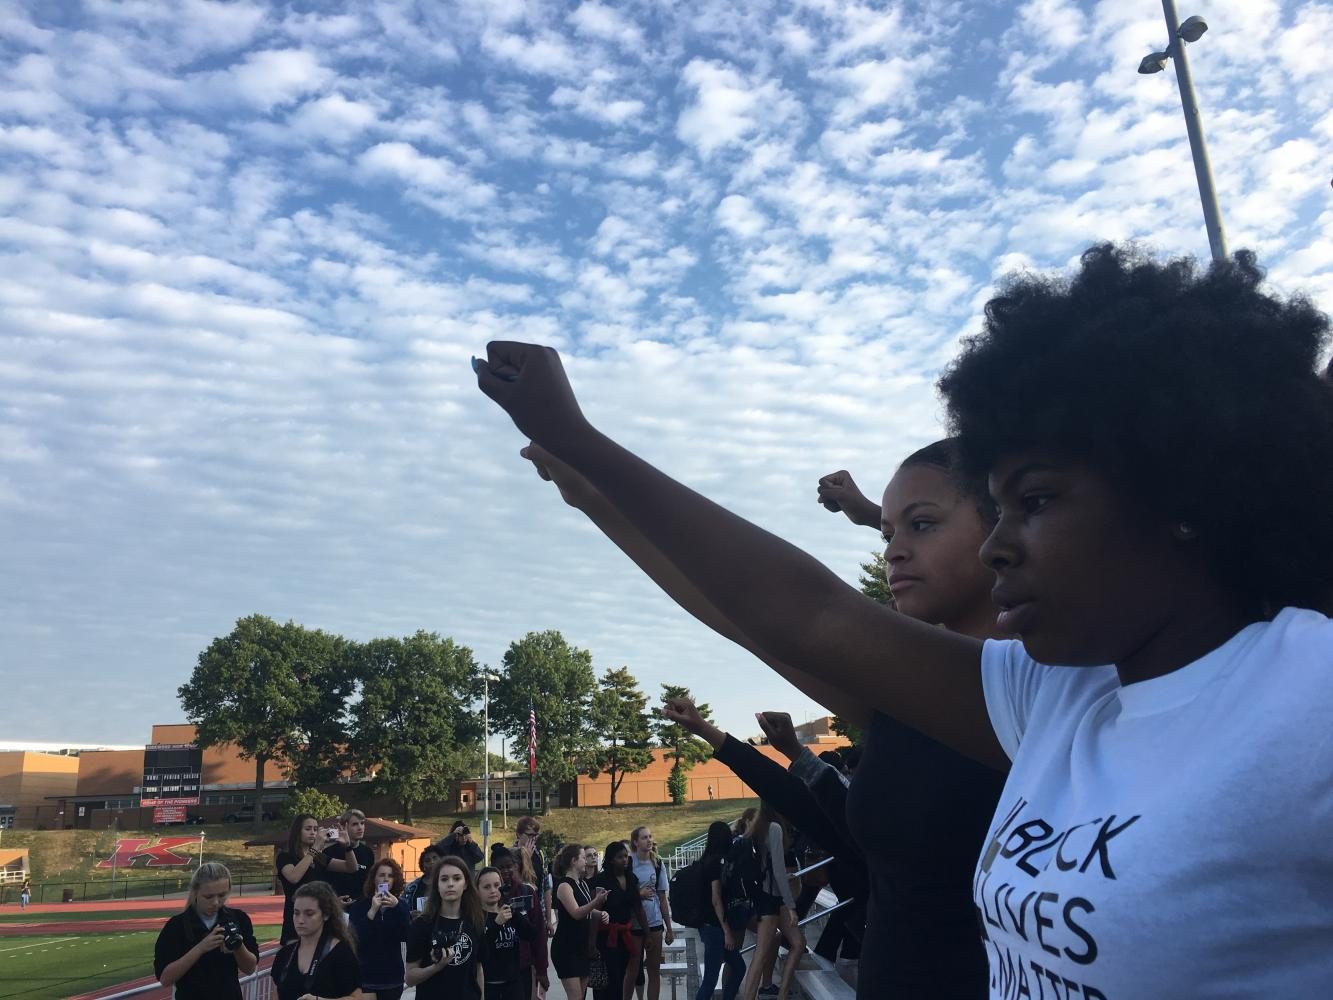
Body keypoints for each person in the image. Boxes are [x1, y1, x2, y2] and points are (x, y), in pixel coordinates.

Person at [473, 243, 1333, 995]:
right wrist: (584, 454)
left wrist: (593, 455)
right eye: (992, 512)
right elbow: (801, 614)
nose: (1000, 547)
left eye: (1034, 500)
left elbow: (810, 615)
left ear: (1181, 492)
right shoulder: (1057, 698)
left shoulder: (1307, 694)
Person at [154, 862, 259, 999]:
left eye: (222, 895)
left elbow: (250, 968)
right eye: (208, 897)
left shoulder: (238, 918)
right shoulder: (177, 926)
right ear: (195, 892)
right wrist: (201, 948)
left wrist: (238, 946)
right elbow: (165, 978)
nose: (216, 902)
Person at [738, 804, 803, 1000]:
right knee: (761, 954)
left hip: (767, 898)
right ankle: (762, 995)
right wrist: (791, 906)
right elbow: (778, 871)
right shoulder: (773, 828)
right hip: (772, 900)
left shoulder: (757, 828)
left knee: (798, 943)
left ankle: (782, 992)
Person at [406, 854, 486, 999]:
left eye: (457, 878)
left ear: (466, 884)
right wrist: (435, 967)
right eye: (444, 879)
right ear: (437, 885)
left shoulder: (475, 921)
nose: (450, 884)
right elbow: (410, 977)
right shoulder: (422, 925)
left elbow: (478, 969)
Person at [270, 881, 362, 1000]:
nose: (300, 920)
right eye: (296, 913)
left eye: (309, 914)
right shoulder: (284, 955)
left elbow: (357, 997)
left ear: (326, 915)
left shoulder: (341, 953)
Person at [590, 841, 648, 1000]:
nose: (624, 860)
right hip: (606, 937)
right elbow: (595, 912)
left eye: (626, 857)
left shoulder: (631, 878)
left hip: (624, 935)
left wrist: (647, 933)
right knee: (608, 982)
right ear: (610, 860)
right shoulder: (601, 880)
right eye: (619, 857)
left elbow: (638, 907)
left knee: (621, 978)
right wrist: (592, 944)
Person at [491, 844, 551, 998]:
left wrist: (542, 969)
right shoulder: (486, 895)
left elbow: (539, 933)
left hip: (522, 966)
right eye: (501, 867)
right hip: (494, 970)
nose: (505, 871)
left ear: (515, 866)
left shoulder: (527, 892)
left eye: (509, 866)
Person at [551, 843, 610, 999]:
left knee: (581, 996)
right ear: (573, 861)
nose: (586, 861)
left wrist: (600, 913)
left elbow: (586, 910)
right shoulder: (564, 886)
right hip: (566, 948)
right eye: (583, 858)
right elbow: (576, 913)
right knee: (575, 997)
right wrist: (596, 902)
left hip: (580, 947)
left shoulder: (582, 883)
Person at [347, 857, 411, 1000]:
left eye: (390, 876)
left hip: (392, 979)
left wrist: (398, 908)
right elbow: (355, 938)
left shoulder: (401, 906)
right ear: (374, 879)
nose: (386, 879)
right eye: (381, 875)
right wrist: (372, 912)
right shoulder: (360, 906)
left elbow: (408, 936)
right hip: (366, 978)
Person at [696, 822, 746, 1000]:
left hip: (710, 925)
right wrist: (727, 932)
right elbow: (716, 899)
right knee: (711, 979)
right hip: (715, 927)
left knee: (738, 967)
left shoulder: (707, 860)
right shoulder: (715, 864)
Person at [276, 813, 342, 944]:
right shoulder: (285, 856)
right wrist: (315, 849)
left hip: (319, 919)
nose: (313, 833)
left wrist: (348, 846)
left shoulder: (319, 857)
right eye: (308, 829)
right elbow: (294, 877)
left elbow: (351, 867)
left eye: (315, 829)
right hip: (295, 921)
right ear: (297, 831)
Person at [624, 826, 673, 1000]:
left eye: (650, 836)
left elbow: (662, 897)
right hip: (634, 922)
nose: (649, 840)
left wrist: (669, 927)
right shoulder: (628, 863)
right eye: (644, 837)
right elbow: (621, 891)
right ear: (635, 842)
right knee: (632, 969)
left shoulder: (658, 863)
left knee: (654, 970)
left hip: (655, 922)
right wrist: (638, 893)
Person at [478, 864, 537, 999]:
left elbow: (531, 934)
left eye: (497, 885)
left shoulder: (508, 911)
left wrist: (515, 914)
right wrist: (496, 924)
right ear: (477, 890)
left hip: (513, 984)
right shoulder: (475, 917)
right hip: (488, 985)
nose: (493, 890)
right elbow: (479, 950)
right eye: (487, 887)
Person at [514, 815, 555, 936]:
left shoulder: (540, 854)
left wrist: (549, 920)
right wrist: (526, 858)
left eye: (535, 836)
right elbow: (517, 883)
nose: (533, 839)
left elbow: (546, 887)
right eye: (529, 835)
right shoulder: (512, 854)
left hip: (539, 912)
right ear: (518, 835)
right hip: (520, 913)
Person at [327, 809, 376, 903]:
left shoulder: (368, 852)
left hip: (361, 906)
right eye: (355, 824)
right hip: (336, 906)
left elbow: (370, 882)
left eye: (362, 823)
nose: (360, 827)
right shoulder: (329, 852)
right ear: (343, 826)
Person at [403, 844, 443, 913]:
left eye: (435, 858)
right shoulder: (412, 888)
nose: (432, 862)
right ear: (423, 866)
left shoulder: (448, 884)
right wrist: (410, 915)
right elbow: (403, 909)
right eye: (427, 860)